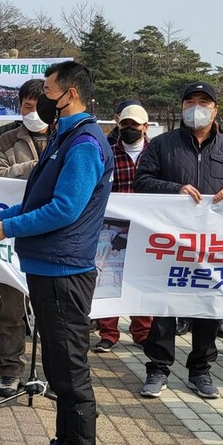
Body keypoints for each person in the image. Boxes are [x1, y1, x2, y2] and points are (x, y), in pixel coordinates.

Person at [0, 61, 113, 445]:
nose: (42, 98)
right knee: (56, 362)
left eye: (49, 90)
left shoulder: (85, 143)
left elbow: (65, 209)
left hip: (65, 270)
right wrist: (3, 215)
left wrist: (8, 228)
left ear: (67, 94)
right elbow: (40, 198)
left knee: (70, 368)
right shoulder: (65, 137)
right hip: (48, 266)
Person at [135, 81, 223, 400]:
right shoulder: (162, 145)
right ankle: (158, 369)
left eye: (204, 101)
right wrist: (173, 189)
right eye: (190, 101)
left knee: (208, 306)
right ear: (182, 106)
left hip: (213, 245)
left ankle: (200, 370)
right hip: (169, 242)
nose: (196, 107)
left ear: (216, 109)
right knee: (164, 305)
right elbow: (141, 181)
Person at [0, 78, 49, 397]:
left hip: (51, 237)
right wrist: (37, 167)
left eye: (40, 106)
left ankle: (51, 371)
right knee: (11, 309)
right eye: (28, 106)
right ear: (20, 107)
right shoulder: (6, 139)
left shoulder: (62, 138)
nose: (34, 112)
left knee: (51, 311)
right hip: (11, 238)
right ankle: (10, 369)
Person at [94, 103, 153, 353]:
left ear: (145, 127)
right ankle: (108, 333)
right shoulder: (107, 151)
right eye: (124, 125)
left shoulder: (155, 152)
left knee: (143, 279)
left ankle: (142, 332)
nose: (129, 129)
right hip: (112, 225)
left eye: (134, 125)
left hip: (147, 226)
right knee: (109, 278)